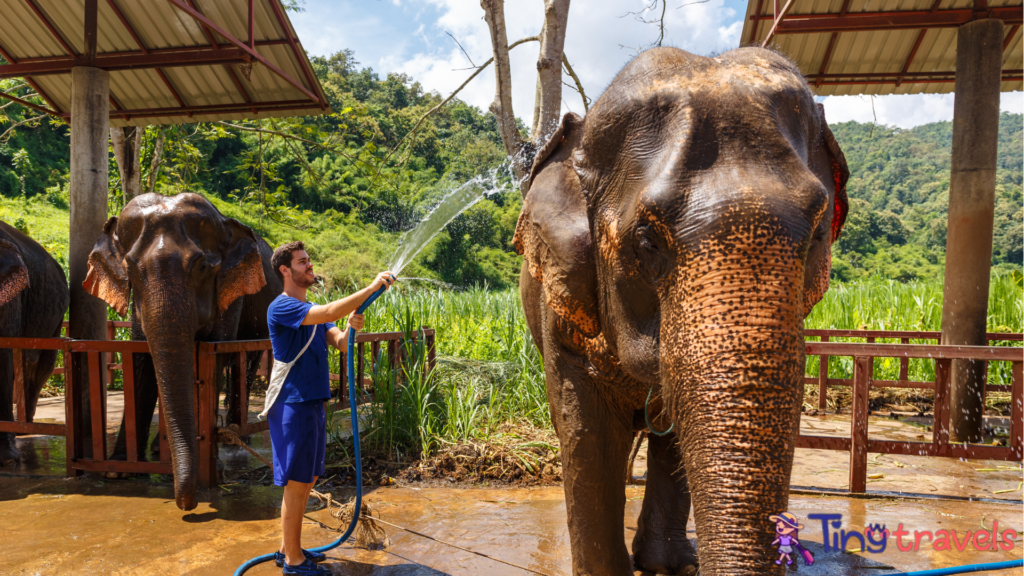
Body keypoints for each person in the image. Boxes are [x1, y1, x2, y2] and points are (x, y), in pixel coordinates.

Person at [264, 240, 393, 575]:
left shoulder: (313, 311)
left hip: (312, 401)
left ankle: (286, 549)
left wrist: (350, 329)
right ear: (285, 270)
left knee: (308, 477)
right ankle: (293, 561)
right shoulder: (282, 307)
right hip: (293, 403)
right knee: (296, 481)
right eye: (302, 261)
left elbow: (338, 340)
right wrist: (369, 288)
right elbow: (327, 313)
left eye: (309, 260)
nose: (309, 265)